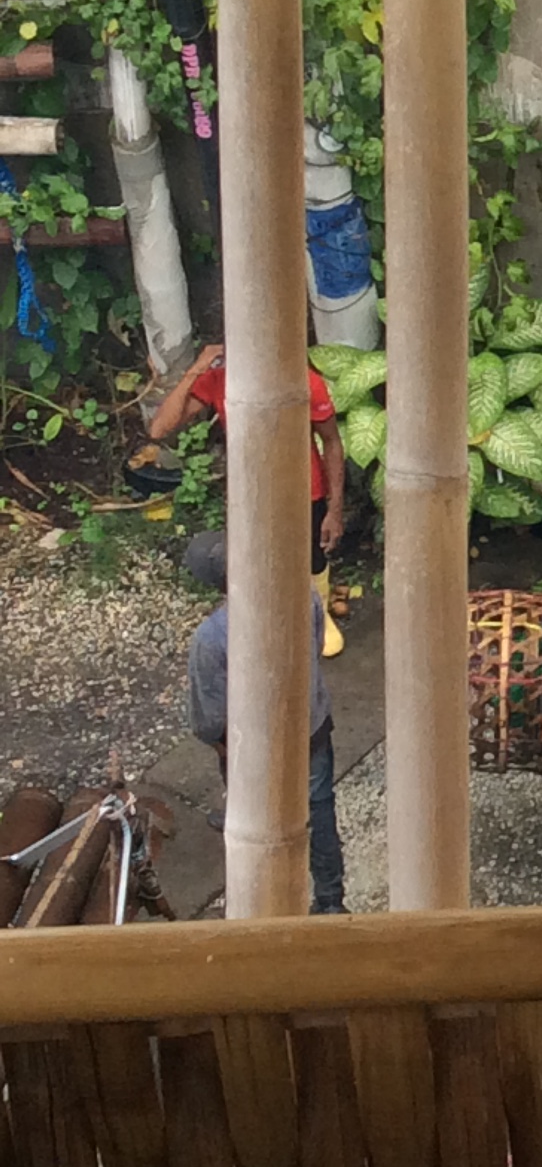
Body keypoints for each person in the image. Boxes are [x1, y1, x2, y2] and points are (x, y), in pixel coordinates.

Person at [148, 342, 349, 657]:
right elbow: (160, 428)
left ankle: (317, 614)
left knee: (312, 557)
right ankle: (271, 619)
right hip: (251, 492)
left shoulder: (304, 381)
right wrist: (196, 370)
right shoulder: (220, 380)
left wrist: (334, 509)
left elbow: (331, 442)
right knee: (257, 557)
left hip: (304, 489)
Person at [182, 533, 346, 913]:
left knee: (254, 812)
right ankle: (331, 899)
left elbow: (209, 711)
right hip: (310, 726)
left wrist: (219, 744)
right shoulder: (304, 597)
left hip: (251, 741)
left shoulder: (212, 637)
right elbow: (318, 643)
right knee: (319, 809)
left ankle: (263, 899)